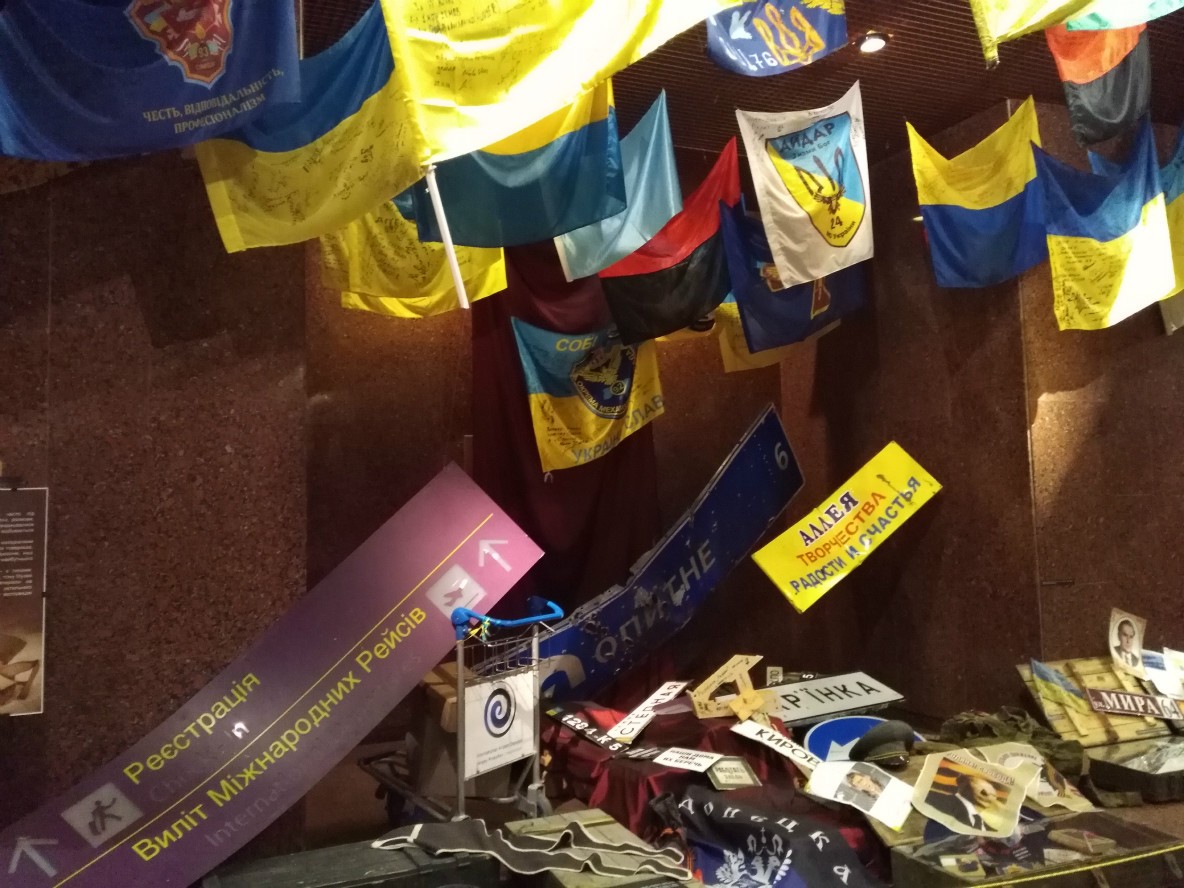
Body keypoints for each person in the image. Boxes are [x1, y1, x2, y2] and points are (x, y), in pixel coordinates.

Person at [925, 773, 999, 830]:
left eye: (994, 795)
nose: (991, 798)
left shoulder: (982, 822)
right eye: (984, 792)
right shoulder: (935, 799)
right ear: (966, 785)